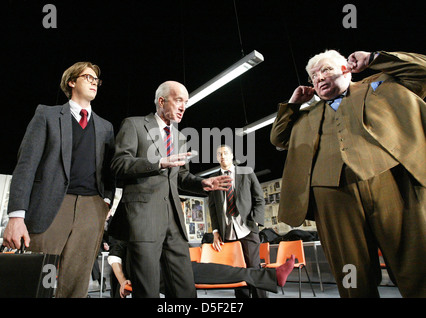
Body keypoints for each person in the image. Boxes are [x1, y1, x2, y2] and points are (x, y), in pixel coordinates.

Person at [270, 50, 426, 297]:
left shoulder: (379, 85)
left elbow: (422, 70)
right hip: (331, 196)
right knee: (351, 272)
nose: (319, 78)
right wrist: (293, 104)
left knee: (415, 262)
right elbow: (278, 138)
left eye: (326, 70)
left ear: (346, 69)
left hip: (389, 182)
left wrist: (374, 59)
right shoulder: (306, 116)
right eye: (313, 76)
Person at [3, 62, 116, 298]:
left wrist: (105, 201)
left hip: (91, 209)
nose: (94, 82)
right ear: (71, 82)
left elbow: (109, 172)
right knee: (36, 280)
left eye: (97, 79)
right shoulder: (47, 115)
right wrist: (16, 215)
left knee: (76, 284)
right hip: (50, 205)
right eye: (88, 77)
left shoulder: (106, 127)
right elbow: (26, 165)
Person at [110, 80, 232, 298]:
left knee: (185, 289)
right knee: (147, 290)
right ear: (161, 101)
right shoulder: (134, 125)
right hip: (143, 220)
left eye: (185, 102)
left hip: (174, 221)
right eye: (178, 100)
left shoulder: (180, 138)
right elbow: (119, 164)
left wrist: (201, 183)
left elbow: (181, 177)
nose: (183, 106)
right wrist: (158, 162)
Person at [107, 239, 295, 298]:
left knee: (204, 269)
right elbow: (114, 257)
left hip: (165, 265)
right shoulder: (124, 221)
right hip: (142, 271)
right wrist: (123, 280)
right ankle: (269, 276)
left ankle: (271, 275)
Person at [208, 144, 266, 298]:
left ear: (232, 155)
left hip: (247, 228)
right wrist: (215, 232)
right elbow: (213, 209)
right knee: (236, 270)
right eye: (219, 154)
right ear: (216, 158)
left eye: (225, 153)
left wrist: (256, 221)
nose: (222, 156)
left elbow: (259, 198)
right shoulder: (213, 180)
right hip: (227, 231)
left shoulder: (246, 172)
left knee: (253, 268)